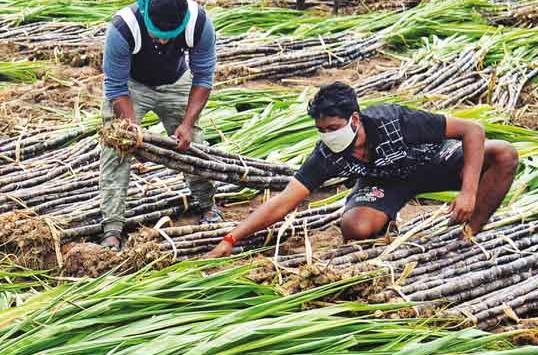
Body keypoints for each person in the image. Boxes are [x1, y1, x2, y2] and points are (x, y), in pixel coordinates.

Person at [207, 82, 518, 258]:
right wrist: (231, 239)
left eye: (332, 127)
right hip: (385, 182)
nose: (327, 135)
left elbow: (473, 130)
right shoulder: (328, 153)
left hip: (434, 163)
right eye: (321, 129)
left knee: (504, 154)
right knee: (355, 228)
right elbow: (284, 201)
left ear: (354, 119)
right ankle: (385, 225)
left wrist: (468, 192)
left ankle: (468, 237)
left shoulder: (396, 121)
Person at [100, 0, 218, 249]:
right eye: (157, 35)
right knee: (116, 146)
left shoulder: (199, 24)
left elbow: (203, 77)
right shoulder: (123, 27)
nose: (163, 41)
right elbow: (115, 85)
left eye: (168, 36)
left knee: (195, 145)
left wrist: (187, 124)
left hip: (175, 81)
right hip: (131, 87)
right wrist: (131, 126)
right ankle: (112, 228)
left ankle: (207, 205)